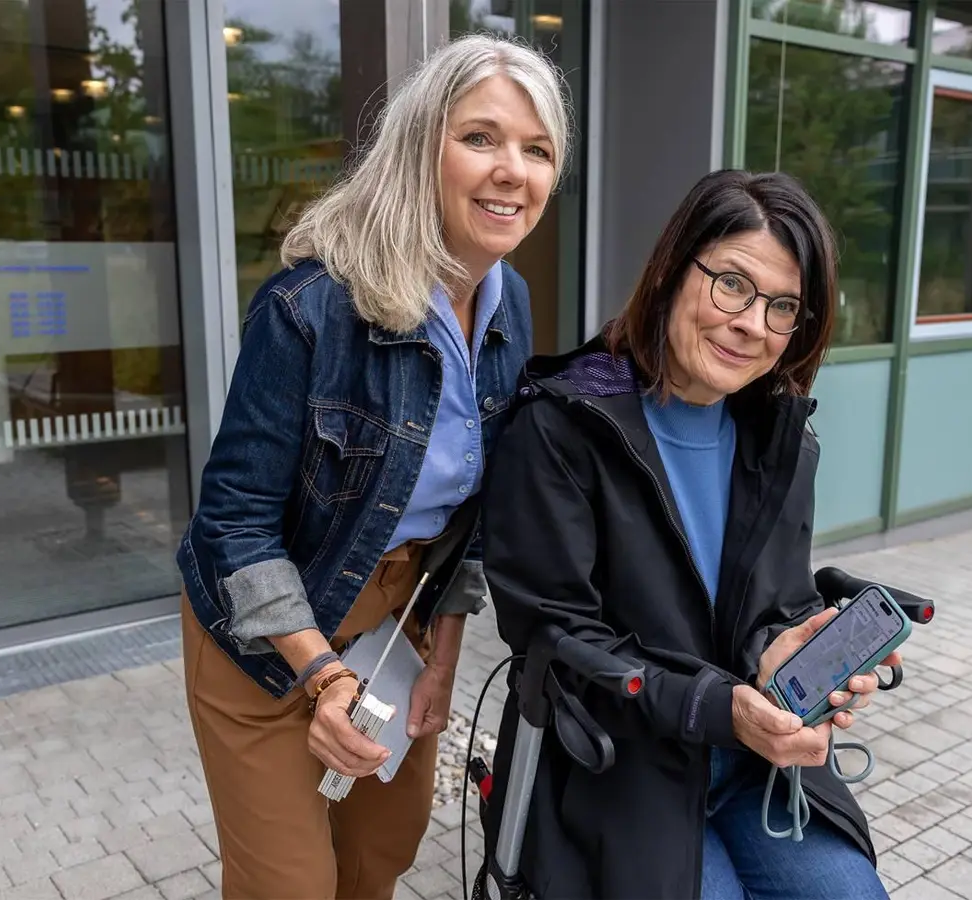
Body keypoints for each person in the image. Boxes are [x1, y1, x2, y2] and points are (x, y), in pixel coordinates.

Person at [174, 34, 570, 900]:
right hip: (264, 634)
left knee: (378, 858)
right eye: (481, 137)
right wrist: (321, 676)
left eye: (536, 150)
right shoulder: (312, 308)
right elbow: (232, 523)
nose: (513, 169)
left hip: (400, 624)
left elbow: (474, 516)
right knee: (292, 887)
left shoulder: (511, 306)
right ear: (421, 144)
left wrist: (441, 659)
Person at [480, 169, 901, 899]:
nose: (751, 324)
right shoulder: (562, 425)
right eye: (733, 285)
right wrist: (721, 708)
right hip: (617, 769)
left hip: (747, 764)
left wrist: (790, 651)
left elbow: (772, 603)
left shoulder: (780, 438)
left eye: (783, 307)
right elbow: (556, 641)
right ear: (674, 270)